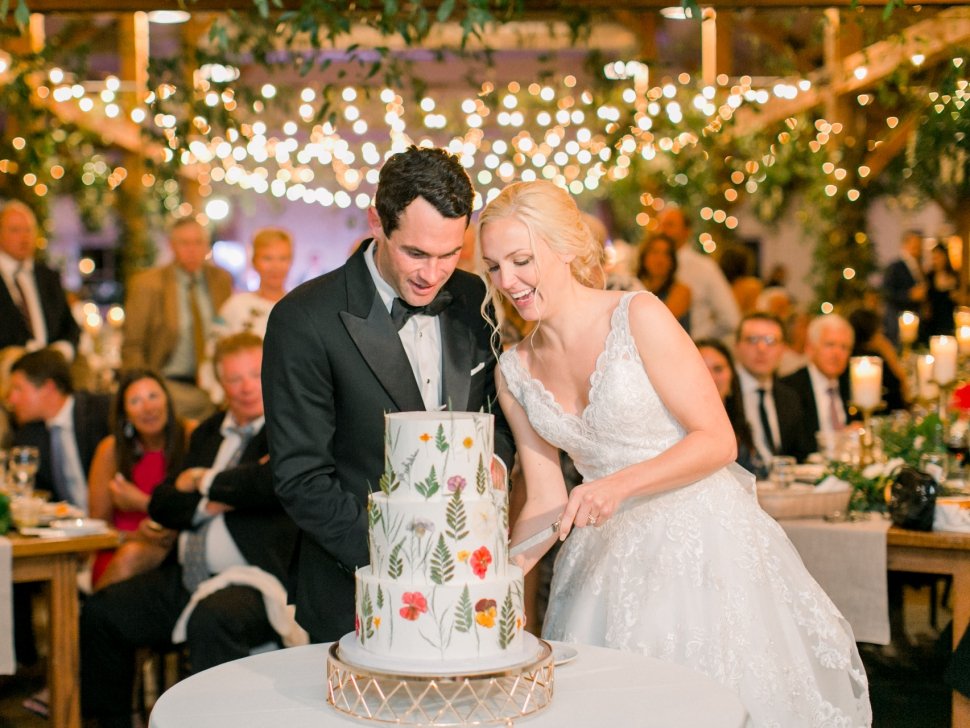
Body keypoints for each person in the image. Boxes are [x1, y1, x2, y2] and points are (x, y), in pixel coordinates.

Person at [478, 180, 870, 727]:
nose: (508, 282)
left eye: (521, 260)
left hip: (702, 545)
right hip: (602, 566)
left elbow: (716, 439)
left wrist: (616, 485)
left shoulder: (637, 314)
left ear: (564, 247)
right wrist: (497, 575)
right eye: (494, 267)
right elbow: (546, 497)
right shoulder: (513, 371)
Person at [262, 145, 515, 643]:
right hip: (353, 588)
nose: (432, 273)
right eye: (415, 253)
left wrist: (494, 465)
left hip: (467, 585)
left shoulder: (474, 299)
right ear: (376, 222)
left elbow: (498, 418)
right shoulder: (303, 319)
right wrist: (402, 561)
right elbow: (302, 478)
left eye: (449, 254)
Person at [80, 332, 300, 728]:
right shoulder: (205, 431)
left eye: (255, 374)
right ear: (219, 383)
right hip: (185, 575)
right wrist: (222, 493)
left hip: (255, 579)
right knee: (101, 613)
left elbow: (270, 485)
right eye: (234, 378)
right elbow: (164, 501)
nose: (247, 387)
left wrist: (200, 482)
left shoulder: (288, 426)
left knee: (213, 619)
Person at [122, 218, 233, 421]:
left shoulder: (221, 280)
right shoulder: (149, 285)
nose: (192, 250)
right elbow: (132, 347)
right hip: (169, 385)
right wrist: (146, 391)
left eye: (198, 242)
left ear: (207, 245)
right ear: (171, 245)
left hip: (216, 388)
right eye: (184, 243)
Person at [87, 370, 189, 591]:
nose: (148, 408)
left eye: (153, 396)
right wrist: (133, 536)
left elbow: (195, 508)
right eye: (136, 401)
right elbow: (98, 527)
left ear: (167, 400)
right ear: (125, 415)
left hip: (174, 547)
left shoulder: (190, 436)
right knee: (129, 556)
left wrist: (140, 501)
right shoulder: (110, 451)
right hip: (119, 547)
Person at [6, 348, 110, 510]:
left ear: (48, 387)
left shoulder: (102, 412)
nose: (11, 399)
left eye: (18, 389)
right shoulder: (29, 435)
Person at [0, 200, 80, 358]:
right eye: (15, 230)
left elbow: (70, 327)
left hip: (52, 366)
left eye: (28, 230)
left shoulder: (48, 277)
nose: (24, 237)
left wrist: (62, 351)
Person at [733, 312, 814, 464]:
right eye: (752, 340)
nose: (761, 348)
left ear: (783, 349)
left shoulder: (789, 397)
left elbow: (799, 455)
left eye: (771, 341)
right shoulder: (724, 394)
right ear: (736, 346)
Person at [658, 206, 739, 341]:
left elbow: (731, 318)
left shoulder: (704, 268)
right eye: (661, 225)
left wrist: (701, 339)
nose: (663, 231)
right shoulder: (645, 265)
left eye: (670, 225)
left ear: (686, 231)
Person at [695, 338, 765, 478]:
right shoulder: (678, 432)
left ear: (732, 376)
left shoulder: (740, 427)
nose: (711, 378)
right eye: (701, 369)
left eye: (718, 369)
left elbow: (760, 475)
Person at [779, 314, 854, 441]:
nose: (837, 354)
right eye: (830, 345)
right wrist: (840, 439)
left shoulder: (852, 386)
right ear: (810, 348)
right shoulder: (789, 389)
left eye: (844, 347)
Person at [216, 227, 294, 339]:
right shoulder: (235, 305)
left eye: (283, 258)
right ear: (254, 261)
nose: (276, 267)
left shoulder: (299, 309)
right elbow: (214, 349)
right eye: (267, 258)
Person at [635, 233, 690, 328]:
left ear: (672, 261)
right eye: (655, 252)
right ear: (644, 257)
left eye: (666, 254)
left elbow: (660, 322)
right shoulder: (633, 285)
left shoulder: (681, 291)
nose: (660, 259)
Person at [882, 230, 926, 345]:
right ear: (905, 244)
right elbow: (887, 292)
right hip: (898, 322)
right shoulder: (895, 266)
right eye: (915, 244)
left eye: (920, 244)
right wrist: (909, 295)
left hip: (915, 321)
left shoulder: (919, 266)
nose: (918, 247)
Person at [925, 243, 959, 338]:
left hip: (949, 317)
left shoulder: (954, 275)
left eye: (939, 257)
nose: (937, 260)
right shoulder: (929, 276)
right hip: (934, 319)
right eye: (934, 258)